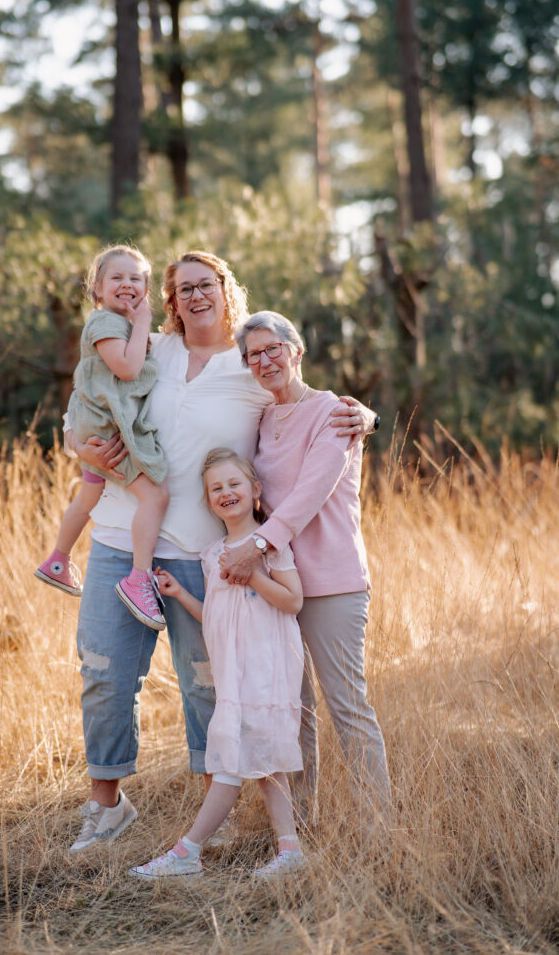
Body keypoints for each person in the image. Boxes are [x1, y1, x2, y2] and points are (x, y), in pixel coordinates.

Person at [62, 251, 377, 854]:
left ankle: (220, 813)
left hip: (206, 552)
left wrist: (364, 415)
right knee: (105, 676)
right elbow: (88, 396)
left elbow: (303, 403)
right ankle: (106, 807)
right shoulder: (148, 349)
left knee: (211, 686)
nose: (196, 296)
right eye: (183, 289)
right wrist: (78, 442)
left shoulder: (249, 365)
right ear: (170, 301)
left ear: (226, 290)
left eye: (206, 284)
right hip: (121, 539)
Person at [221, 311, 391, 829]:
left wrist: (255, 545)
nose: (264, 360)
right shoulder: (261, 420)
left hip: (332, 582)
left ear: (296, 351)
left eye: (273, 348)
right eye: (253, 354)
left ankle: (378, 832)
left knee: (348, 707)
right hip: (280, 584)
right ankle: (297, 830)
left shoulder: (334, 413)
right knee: (293, 710)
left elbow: (309, 494)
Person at [129, 448, 306, 880]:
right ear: (209, 501)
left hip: (266, 668)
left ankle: (187, 851)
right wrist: (179, 594)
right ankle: (290, 850)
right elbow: (215, 615)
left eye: (234, 484)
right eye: (216, 488)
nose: (226, 492)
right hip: (233, 673)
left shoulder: (268, 544)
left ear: (255, 489)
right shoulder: (211, 554)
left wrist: (253, 573)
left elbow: (293, 601)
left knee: (231, 759)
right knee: (266, 763)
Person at [35, 245, 169, 630]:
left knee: (88, 496)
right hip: (107, 430)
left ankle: (58, 560)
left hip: (94, 424)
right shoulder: (105, 323)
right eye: (117, 277)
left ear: (146, 288)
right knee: (156, 495)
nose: (127, 284)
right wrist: (144, 322)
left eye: (136, 278)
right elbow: (127, 369)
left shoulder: (114, 324)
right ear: (97, 288)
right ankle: (138, 579)